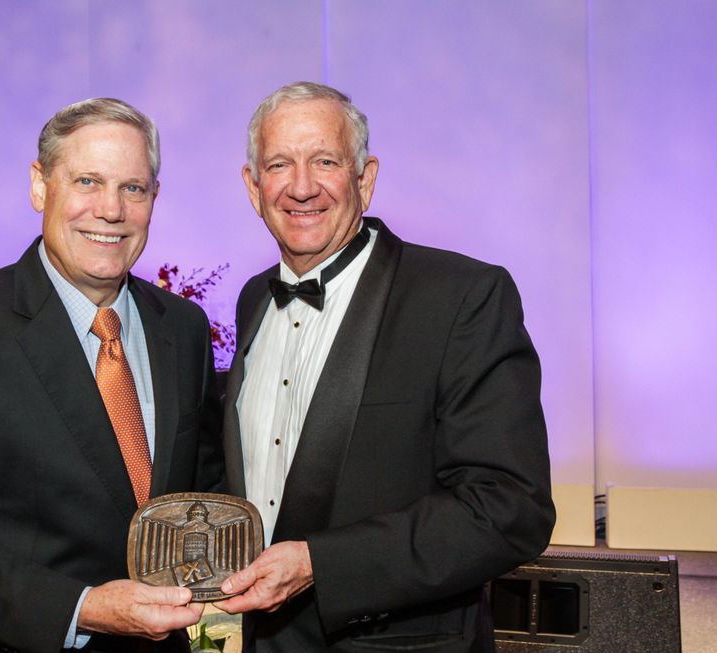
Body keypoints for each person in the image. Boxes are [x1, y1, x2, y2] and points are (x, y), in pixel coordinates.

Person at [0, 98, 225, 652]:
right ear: (40, 186)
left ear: (155, 198)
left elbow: (199, 488)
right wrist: (82, 608)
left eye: (133, 188)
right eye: (87, 180)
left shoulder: (181, 328)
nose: (111, 209)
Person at [215, 82, 555, 652]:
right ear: (253, 187)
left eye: (325, 160)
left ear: (365, 178)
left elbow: (510, 506)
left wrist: (320, 564)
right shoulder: (253, 299)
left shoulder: (462, 297)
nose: (301, 186)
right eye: (279, 164)